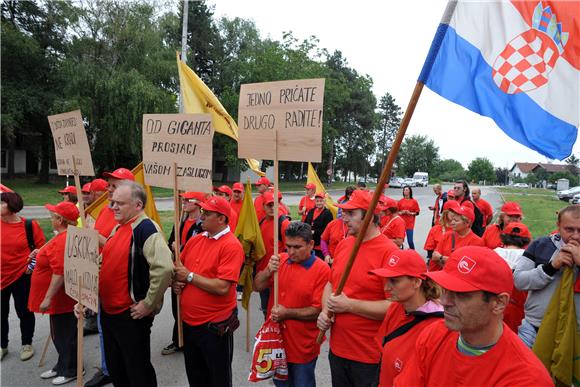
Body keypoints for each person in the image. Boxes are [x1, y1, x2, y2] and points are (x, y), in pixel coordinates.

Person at [393, 246, 553, 386]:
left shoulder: (526, 379)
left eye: (461, 295)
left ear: (498, 303)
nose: (444, 301)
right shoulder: (433, 335)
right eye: (445, 289)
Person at [86, 181, 173, 387]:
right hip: (109, 313)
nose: (113, 207)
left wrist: (148, 303)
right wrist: (86, 296)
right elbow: (104, 263)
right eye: (113, 202)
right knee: (117, 368)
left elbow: (164, 269)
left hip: (130, 316)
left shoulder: (146, 229)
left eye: (120, 203)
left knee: (137, 371)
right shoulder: (119, 227)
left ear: (138, 205)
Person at [317, 190, 398, 387]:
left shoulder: (389, 252)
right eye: (344, 212)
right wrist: (325, 311)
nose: (344, 218)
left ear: (369, 217)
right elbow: (330, 283)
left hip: (368, 356)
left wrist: (349, 305)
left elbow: (394, 308)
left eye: (351, 213)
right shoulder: (345, 245)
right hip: (337, 351)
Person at [172, 196, 244, 387]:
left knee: (218, 379)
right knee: (196, 376)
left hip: (214, 327)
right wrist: (177, 282)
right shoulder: (196, 241)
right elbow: (180, 270)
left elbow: (222, 287)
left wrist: (188, 277)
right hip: (189, 323)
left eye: (207, 213)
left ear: (221, 218)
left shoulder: (231, 246)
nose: (201, 216)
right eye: (202, 212)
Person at [253, 222, 331, 387]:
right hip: (276, 343)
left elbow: (318, 311)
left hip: (303, 347)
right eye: (288, 246)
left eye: (297, 247)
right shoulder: (279, 260)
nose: (291, 252)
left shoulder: (322, 270)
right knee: (280, 384)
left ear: (311, 244)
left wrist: (287, 313)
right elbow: (257, 286)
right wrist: (267, 270)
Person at [85, 167, 135, 387]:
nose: (108, 189)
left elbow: (124, 248)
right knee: (104, 329)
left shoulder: (130, 216)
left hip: (120, 286)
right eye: (109, 185)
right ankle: (109, 368)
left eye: (114, 186)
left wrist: (97, 237)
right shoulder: (106, 210)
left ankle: (119, 370)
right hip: (100, 278)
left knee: (120, 335)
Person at [371, 250, 444, 386]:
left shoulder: (438, 327)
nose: (386, 287)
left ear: (416, 282)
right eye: (387, 280)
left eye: (394, 281)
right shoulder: (395, 308)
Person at [514, 204, 580, 348]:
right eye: (569, 229)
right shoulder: (540, 245)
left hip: (575, 333)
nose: (575, 235)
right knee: (526, 369)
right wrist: (551, 267)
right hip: (534, 328)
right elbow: (519, 281)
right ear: (558, 225)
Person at [30, 202, 80, 385]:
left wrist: (47, 298)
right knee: (59, 334)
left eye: (52, 216)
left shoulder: (64, 239)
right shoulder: (63, 236)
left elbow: (59, 272)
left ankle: (72, 368)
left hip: (60, 299)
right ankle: (62, 365)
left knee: (64, 335)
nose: (50, 219)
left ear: (60, 220)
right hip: (60, 299)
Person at [1, 191, 46, 361]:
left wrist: (31, 267)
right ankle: (2, 345)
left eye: (1, 203)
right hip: (1, 277)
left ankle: (26, 343)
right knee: (1, 313)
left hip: (22, 275)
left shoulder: (29, 225)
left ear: (11, 206)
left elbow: (42, 250)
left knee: (24, 311)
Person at [161, 191, 205, 356]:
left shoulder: (203, 225)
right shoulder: (180, 221)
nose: (184, 202)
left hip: (192, 272)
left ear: (198, 203)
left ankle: (187, 341)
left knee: (189, 308)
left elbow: (200, 249)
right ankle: (179, 340)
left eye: (188, 200)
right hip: (176, 271)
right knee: (176, 308)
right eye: (183, 199)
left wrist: (179, 249)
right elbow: (170, 243)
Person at [257, 191, 291, 318]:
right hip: (264, 274)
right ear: (263, 206)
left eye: (274, 204)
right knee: (266, 310)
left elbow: (291, 251)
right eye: (269, 205)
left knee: (277, 313)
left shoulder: (283, 223)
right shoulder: (260, 223)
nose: (272, 208)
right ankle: (267, 335)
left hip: (278, 275)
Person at [493, 222, 531, 333]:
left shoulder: (493, 254)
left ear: (503, 238)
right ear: (526, 241)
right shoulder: (529, 258)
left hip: (493, 305)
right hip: (518, 309)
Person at [431, 205, 484, 270]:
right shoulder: (447, 235)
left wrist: (441, 258)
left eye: (456, 221)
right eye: (452, 219)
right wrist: (453, 262)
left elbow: (467, 266)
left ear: (467, 223)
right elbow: (434, 257)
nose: (452, 223)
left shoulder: (477, 241)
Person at [424, 200, 458, 271]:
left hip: (454, 269)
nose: (456, 214)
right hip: (437, 269)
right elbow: (430, 253)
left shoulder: (460, 230)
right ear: (445, 212)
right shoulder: (436, 229)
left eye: (457, 212)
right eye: (453, 211)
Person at [304, 192, 334, 259]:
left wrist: (314, 232)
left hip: (320, 245)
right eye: (317, 201)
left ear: (324, 201)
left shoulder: (327, 213)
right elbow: (305, 223)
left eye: (321, 201)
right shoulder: (311, 211)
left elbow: (328, 229)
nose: (319, 203)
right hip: (309, 243)